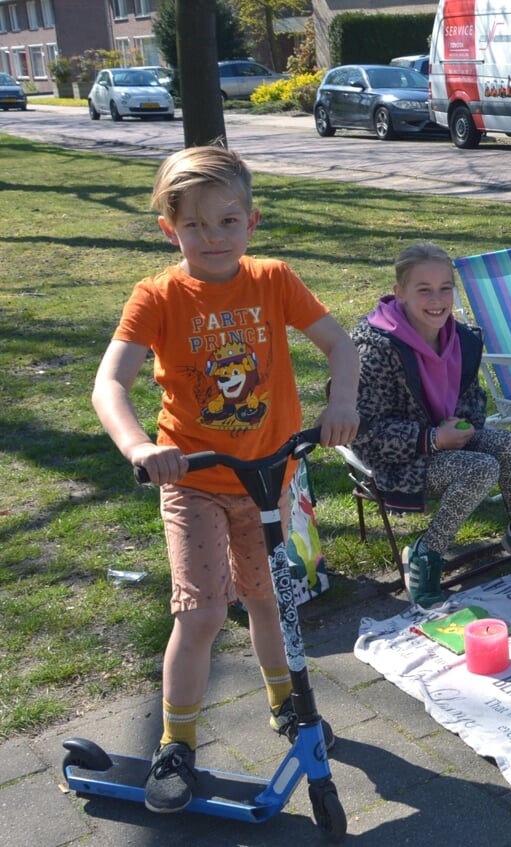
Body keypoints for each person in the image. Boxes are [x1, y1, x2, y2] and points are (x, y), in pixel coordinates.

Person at [91, 145, 360, 814]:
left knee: (272, 602)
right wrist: (139, 445)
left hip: (273, 476)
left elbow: (341, 345)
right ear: (169, 229)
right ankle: (175, 741)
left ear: (252, 221)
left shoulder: (272, 280)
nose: (212, 238)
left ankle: (286, 706)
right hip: (196, 478)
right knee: (205, 610)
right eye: (194, 226)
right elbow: (110, 382)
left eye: (227, 221)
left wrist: (342, 402)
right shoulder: (157, 295)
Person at [349, 242, 511, 608]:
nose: (436, 299)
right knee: (481, 469)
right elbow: (365, 436)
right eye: (423, 290)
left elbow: (472, 400)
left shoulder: (462, 339)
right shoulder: (376, 347)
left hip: (445, 440)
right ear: (400, 293)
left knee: (510, 445)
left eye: (445, 288)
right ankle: (425, 553)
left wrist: (464, 425)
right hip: (399, 458)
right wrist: (432, 438)